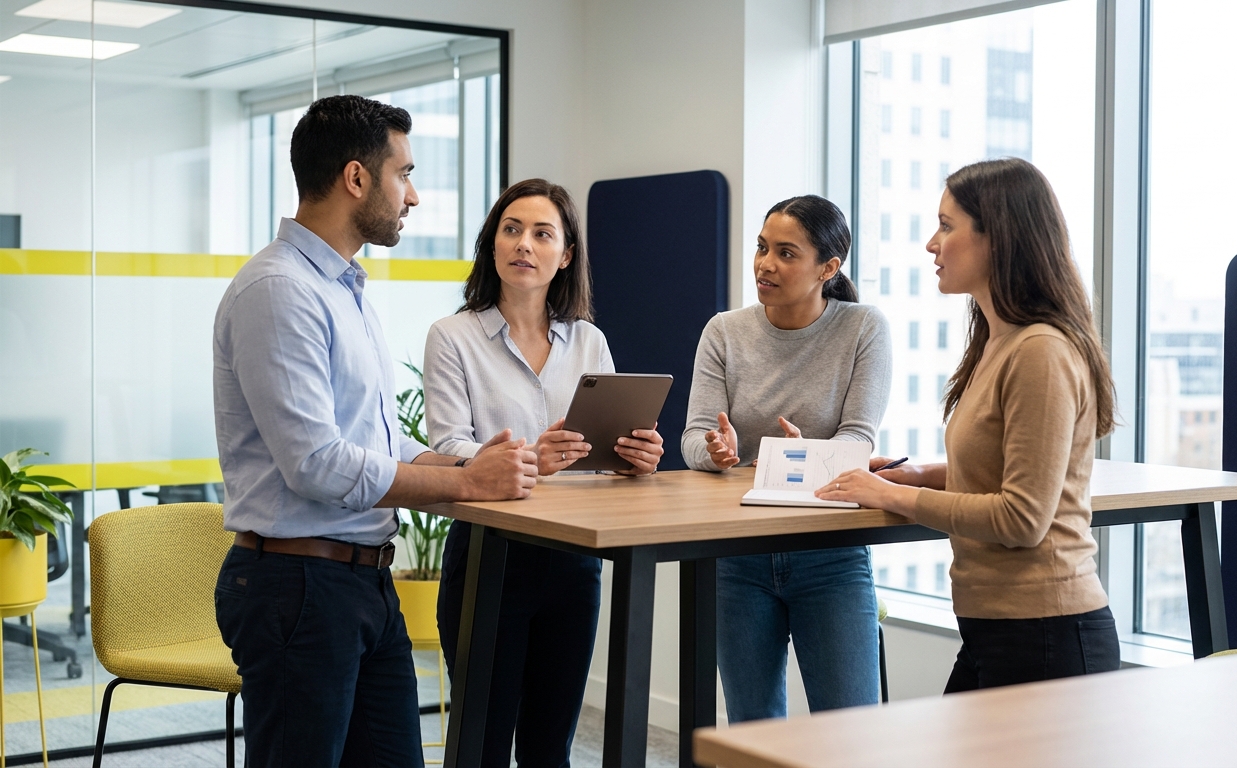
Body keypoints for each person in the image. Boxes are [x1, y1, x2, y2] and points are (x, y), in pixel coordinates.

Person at [212, 95, 538, 767]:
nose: (413, 195)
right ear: (357, 178)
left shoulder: (344, 288)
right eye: (405, 174)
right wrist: (462, 486)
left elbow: (376, 443)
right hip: (298, 586)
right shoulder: (279, 290)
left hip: (362, 583)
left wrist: (468, 468)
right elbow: (317, 464)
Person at [818, 157, 1121, 691]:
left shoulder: (1040, 352)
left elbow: (1022, 518)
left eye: (946, 226)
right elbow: (995, 469)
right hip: (999, 628)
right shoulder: (999, 342)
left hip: (1046, 630)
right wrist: (914, 476)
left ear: (997, 238)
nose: (932, 244)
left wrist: (892, 498)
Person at [424, 178, 665, 767]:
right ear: (492, 244)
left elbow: (603, 446)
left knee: (549, 746)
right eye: (511, 230)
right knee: (482, 741)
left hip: (574, 561)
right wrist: (533, 456)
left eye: (542, 233)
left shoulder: (589, 341)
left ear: (567, 254)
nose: (524, 244)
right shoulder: (452, 337)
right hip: (488, 558)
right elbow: (448, 445)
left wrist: (634, 456)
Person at [681, 194, 892, 722]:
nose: (765, 264)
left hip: (832, 554)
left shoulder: (863, 327)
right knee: (753, 733)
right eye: (761, 248)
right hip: (738, 551)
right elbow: (692, 439)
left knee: (850, 731)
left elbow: (858, 441)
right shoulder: (723, 332)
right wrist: (718, 454)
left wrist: (804, 455)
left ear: (829, 267)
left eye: (786, 253)